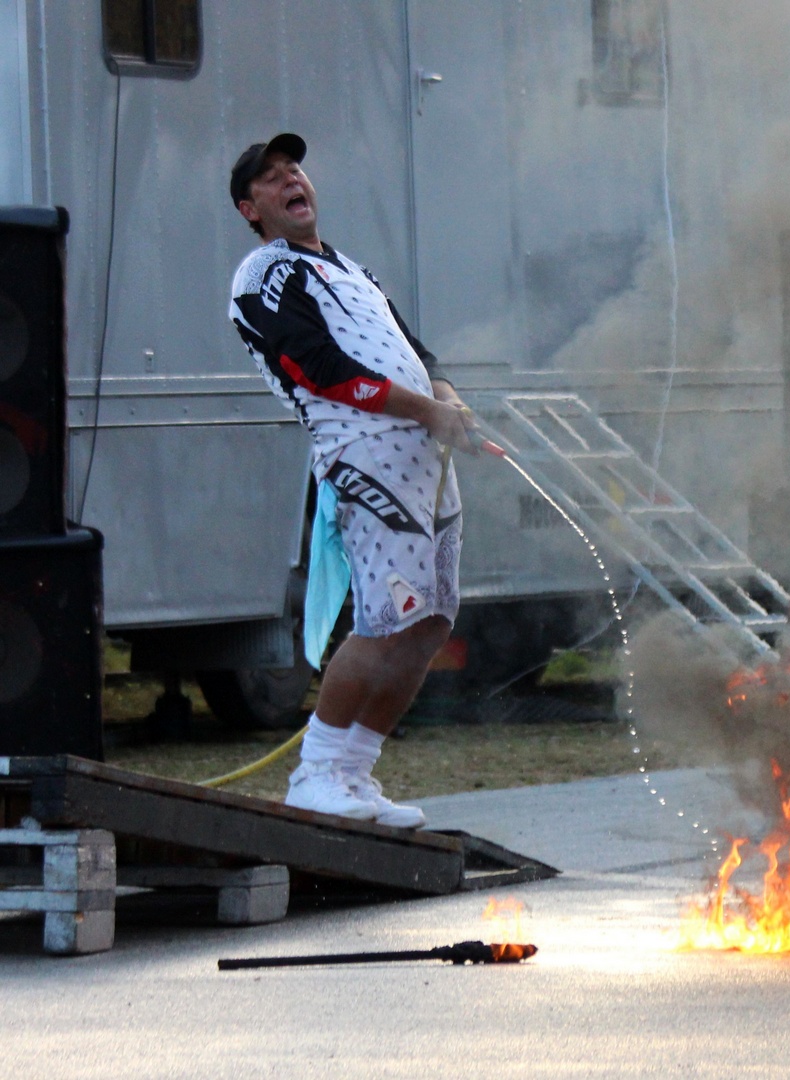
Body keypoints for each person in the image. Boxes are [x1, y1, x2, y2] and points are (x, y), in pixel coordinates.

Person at [226, 134, 477, 826]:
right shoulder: (264, 272)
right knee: (386, 620)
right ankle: (314, 775)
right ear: (251, 208)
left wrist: (447, 398)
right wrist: (425, 409)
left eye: (295, 169)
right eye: (272, 178)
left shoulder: (350, 268)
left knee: (432, 621)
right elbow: (318, 369)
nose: (291, 180)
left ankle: (355, 774)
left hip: (423, 452)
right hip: (364, 453)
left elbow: (414, 350)